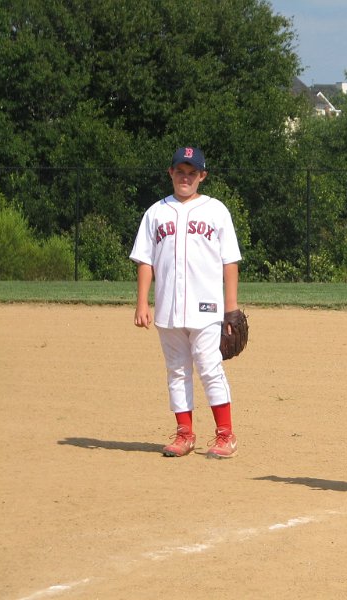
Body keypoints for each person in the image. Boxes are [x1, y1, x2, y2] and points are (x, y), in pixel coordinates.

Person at [130, 146, 242, 459]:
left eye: (192, 173)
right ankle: (184, 433)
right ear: (171, 173)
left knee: (209, 367)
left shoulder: (216, 210)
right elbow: (144, 260)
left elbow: (230, 261)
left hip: (206, 307)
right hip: (167, 307)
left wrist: (230, 307)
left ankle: (225, 434)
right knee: (176, 371)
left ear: (202, 176)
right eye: (180, 171)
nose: (185, 177)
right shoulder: (156, 212)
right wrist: (142, 303)